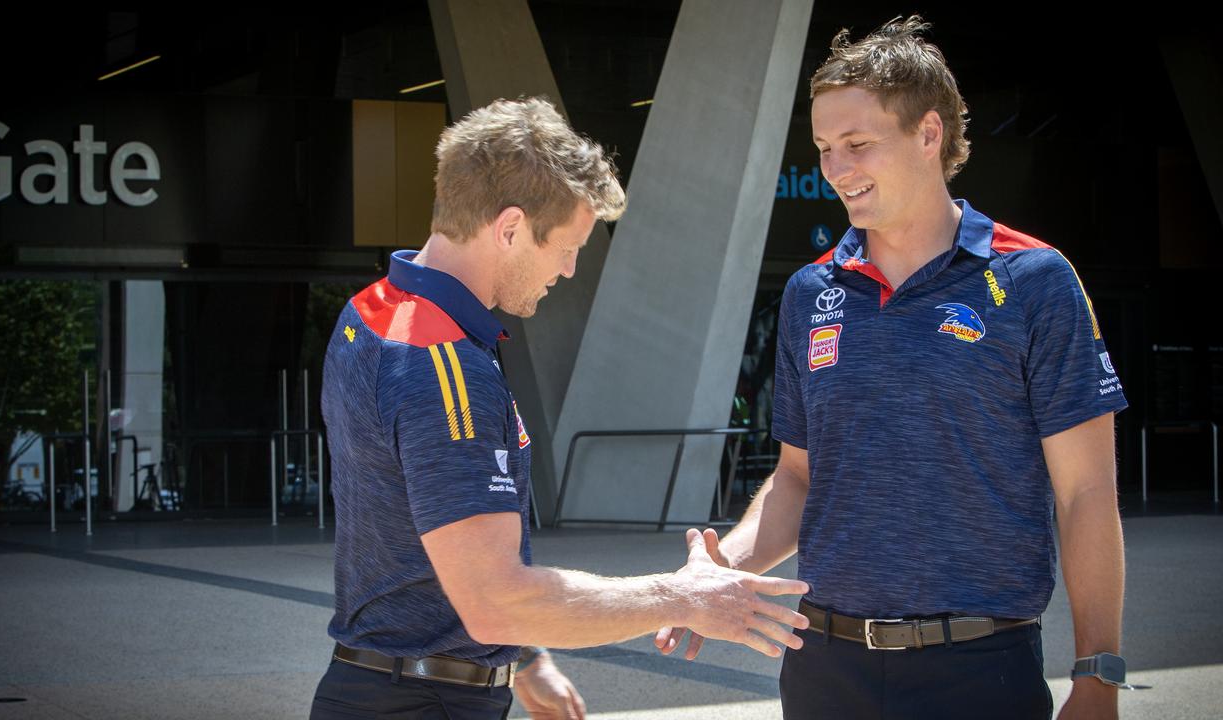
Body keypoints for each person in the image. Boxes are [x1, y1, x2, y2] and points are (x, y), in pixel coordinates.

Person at [656, 17, 1131, 720]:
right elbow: (797, 477)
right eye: (823, 148)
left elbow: (1086, 492)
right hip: (822, 669)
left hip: (979, 668)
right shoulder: (810, 292)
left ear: (930, 134)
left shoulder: (1034, 279)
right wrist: (722, 569)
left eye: (858, 144)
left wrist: (1098, 673)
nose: (837, 169)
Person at [310, 97, 811, 720]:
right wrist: (680, 596)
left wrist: (525, 660)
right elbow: (494, 601)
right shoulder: (444, 369)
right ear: (511, 227)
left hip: (381, 687)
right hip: (426, 701)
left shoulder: (371, 311)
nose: (570, 270)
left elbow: (422, 548)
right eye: (566, 247)